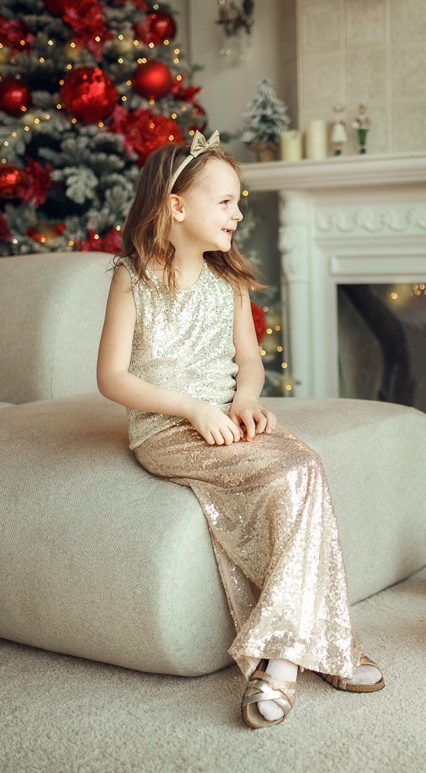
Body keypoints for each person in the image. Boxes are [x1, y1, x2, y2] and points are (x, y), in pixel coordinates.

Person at [96, 131, 384, 728]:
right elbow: (112, 378)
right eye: (225, 202)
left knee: (302, 471)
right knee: (295, 474)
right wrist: (192, 409)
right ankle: (294, 658)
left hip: (226, 422)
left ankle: (300, 646)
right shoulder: (134, 277)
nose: (238, 212)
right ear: (177, 207)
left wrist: (246, 402)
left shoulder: (228, 284)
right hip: (168, 431)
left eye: (238, 201)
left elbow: (248, 363)